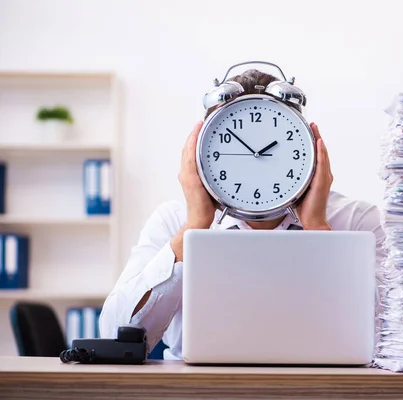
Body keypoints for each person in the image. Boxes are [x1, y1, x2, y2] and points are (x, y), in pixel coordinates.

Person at [99, 69, 386, 360]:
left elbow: (391, 338)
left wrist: (318, 230)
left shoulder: (356, 222)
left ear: (308, 147)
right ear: (200, 152)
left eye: (276, 145)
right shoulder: (173, 221)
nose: (256, 158)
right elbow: (114, 335)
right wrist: (194, 227)